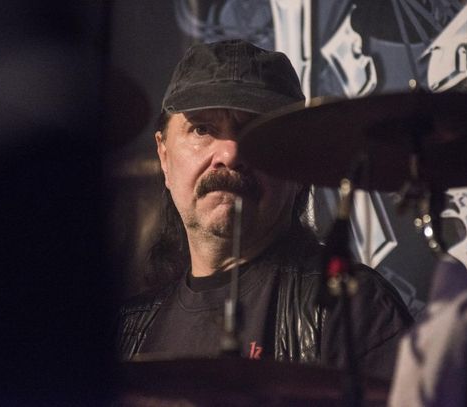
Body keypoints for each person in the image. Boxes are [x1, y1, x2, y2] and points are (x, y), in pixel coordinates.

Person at [116, 39, 413, 381]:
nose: (229, 155)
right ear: (164, 156)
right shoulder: (127, 331)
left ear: (299, 165)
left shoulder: (354, 309)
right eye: (202, 129)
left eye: (254, 131)